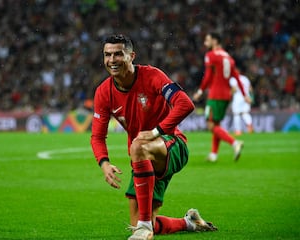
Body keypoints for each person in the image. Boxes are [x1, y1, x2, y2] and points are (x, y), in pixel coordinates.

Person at [90, 34, 217, 240]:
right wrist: (104, 163)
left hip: (173, 145)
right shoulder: (103, 93)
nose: (112, 60)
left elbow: (185, 104)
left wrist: (157, 131)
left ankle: (143, 227)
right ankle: (189, 222)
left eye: (118, 54)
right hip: (143, 161)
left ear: (131, 56)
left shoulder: (152, 76)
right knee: (143, 222)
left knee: (139, 145)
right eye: (107, 55)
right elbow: (97, 136)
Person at [193, 32, 251, 162]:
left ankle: (235, 143)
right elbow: (236, 76)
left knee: (210, 125)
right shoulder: (228, 57)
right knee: (216, 124)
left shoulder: (210, 56)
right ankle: (213, 155)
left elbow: (207, 77)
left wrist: (200, 91)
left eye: (207, 40)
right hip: (226, 95)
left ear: (215, 41)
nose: (205, 43)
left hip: (215, 94)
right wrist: (245, 95)